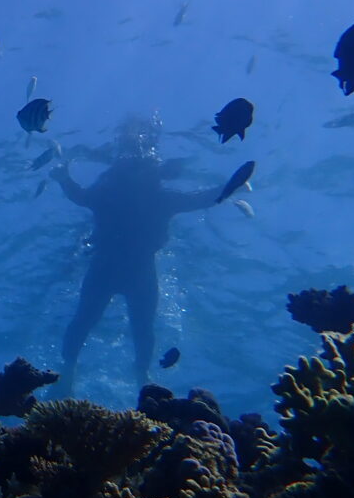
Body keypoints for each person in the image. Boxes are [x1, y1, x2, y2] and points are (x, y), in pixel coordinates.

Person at [48, 115, 224, 395]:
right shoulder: (149, 195)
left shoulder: (112, 192)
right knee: (128, 326)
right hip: (133, 270)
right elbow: (200, 199)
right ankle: (123, 374)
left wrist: (63, 178)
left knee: (103, 323)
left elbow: (79, 195)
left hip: (109, 267)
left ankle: (97, 372)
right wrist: (228, 188)